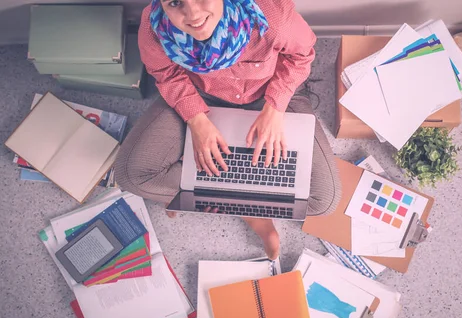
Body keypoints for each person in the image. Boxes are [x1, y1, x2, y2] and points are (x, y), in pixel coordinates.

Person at [114, 0, 341, 260]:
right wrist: (196, 120)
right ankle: (247, 208)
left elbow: (302, 55)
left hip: (271, 94)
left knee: (324, 200)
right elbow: (166, 74)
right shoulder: (154, 27)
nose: (193, 14)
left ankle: (208, 192)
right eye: (175, 2)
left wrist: (275, 107)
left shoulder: (271, 15)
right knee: (131, 175)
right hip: (201, 95)